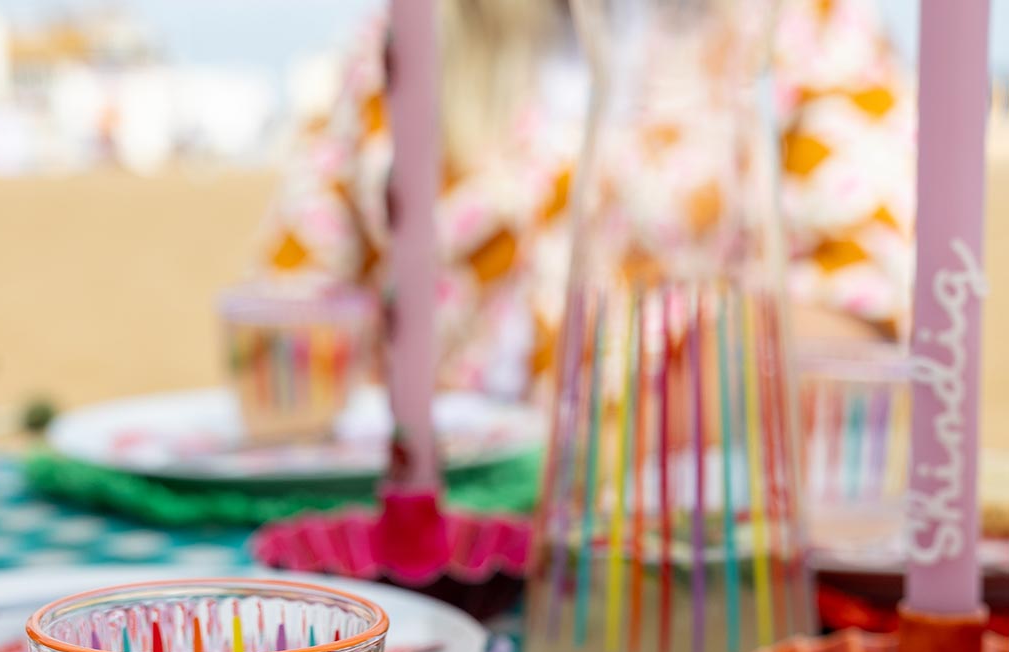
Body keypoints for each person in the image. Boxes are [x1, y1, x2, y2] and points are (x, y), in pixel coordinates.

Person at [251, 0, 913, 400]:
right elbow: (289, 303)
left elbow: (862, 309)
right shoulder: (409, 39)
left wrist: (658, 405)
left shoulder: (804, 29)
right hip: (441, 529)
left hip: (682, 542)